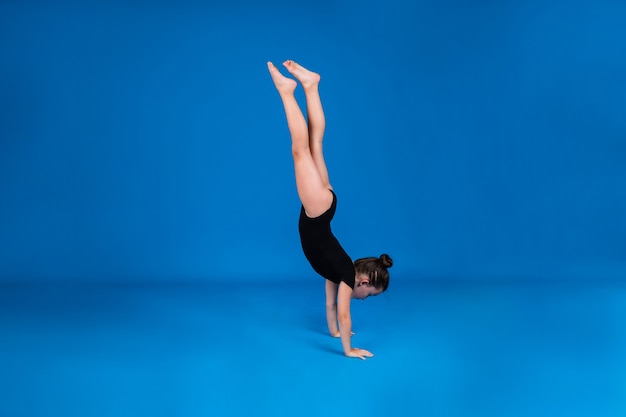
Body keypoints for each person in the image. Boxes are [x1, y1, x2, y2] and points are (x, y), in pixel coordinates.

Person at [267, 60, 393, 360]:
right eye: (369, 295)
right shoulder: (346, 277)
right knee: (301, 150)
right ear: (364, 282)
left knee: (315, 143)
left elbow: (330, 307)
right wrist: (348, 350)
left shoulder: (338, 270)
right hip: (317, 210)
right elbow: (344, 313)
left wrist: (336, 332)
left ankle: (311, 86)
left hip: (326, 204)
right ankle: (288, 91)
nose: (363, 298)